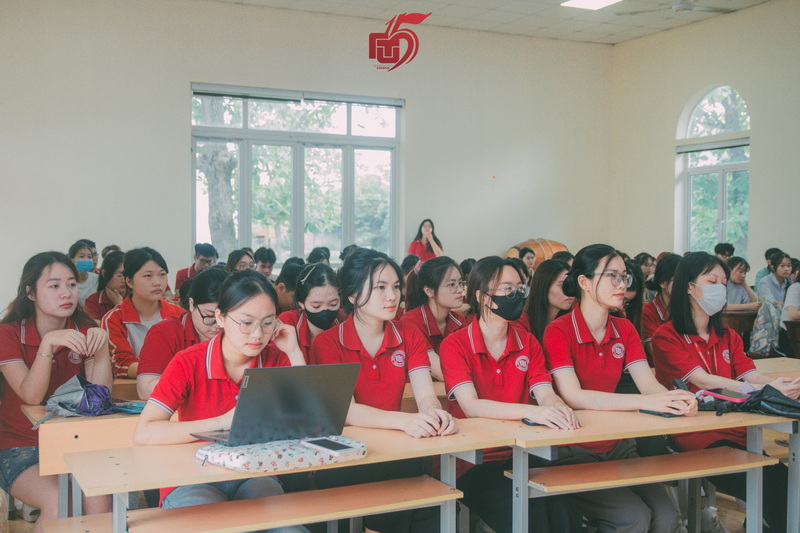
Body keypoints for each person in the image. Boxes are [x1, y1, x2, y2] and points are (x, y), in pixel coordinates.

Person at [133, 271, 306, 532]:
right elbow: (145, 431)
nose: (257, 334)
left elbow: (307, 419)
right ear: (221, 317)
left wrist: (293, 351)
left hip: (254, 472)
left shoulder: (276, 357)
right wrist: (220, 423)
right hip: (193, 477)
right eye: (246, 322)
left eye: (268, 323)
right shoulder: (188, 361)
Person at [543, 244, 696, 533]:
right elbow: (573, 396)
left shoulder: (624, 329)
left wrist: (675, 399)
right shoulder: (559, 330)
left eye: (624, 276)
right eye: (612, 276)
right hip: (573, 449)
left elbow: (648, 384)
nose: (622, 285)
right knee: (634, 517)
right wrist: (644, 403)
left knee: (666, 516)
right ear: (584, 282)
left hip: (618, 445)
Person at [650, 251, 800, 532]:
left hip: (741, 431)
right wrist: (758, 388)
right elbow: (703, 380)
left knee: (786, 483)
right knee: (775, 484)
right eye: (712, 281)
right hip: (698, 436)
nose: (720, 288)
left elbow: (750, 374)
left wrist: (779, 384)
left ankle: (758, 523)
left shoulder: (728, 335)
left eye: (723, 282)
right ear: (689, 287)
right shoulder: (667, 336)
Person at [309, 248, 456, 533]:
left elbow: (426, 394)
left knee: (432, 504)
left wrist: (434, 413)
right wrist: (405, 421)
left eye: (396, 287)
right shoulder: (328, 343)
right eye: (380, 287)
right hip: (346, 458)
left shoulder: (409, 334)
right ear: (353, 296)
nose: (392, 296)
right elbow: (347, 411)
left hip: (396, 453)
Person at [440, 255, 582, 533]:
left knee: (565, 508)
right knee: (530, 517)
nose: (516, 295)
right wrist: (533, 411)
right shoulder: (455, 344)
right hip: (473, 460)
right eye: (507, 289)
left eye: (520, 288)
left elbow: (544, 391)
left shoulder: (527, 341)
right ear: (482, 296)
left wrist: (557, 406)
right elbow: (471, 407)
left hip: (522, 452)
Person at [0, 252, 113, 532]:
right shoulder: (8, 334)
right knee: (59, 502)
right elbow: (31, 396)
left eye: (72, 284)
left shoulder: (85, 330)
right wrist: (47, 345)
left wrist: (101, 351)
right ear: (31, 293)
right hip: (19, 445)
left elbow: (99, 399)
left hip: (75, 443)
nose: (66, 293)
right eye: (54, 286)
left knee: (100, 503)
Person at [136, 268, 229, 399]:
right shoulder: (165, 333)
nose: (218, 325)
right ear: (191, 304)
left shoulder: (240, 331)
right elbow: (145, 389)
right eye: (209, 316)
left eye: (225, 316)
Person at [101, 248, 184, 378]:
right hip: (135, 387)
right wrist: (170, 369)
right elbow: (121, 365)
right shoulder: (114, 319)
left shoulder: (180, 315)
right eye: (148, 276)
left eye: (162, 274)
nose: (157, 282)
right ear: (129, 282)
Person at [401, 256, 467, 380]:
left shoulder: (459, 321)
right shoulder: (411, 322)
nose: (460, 290)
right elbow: (442, 372)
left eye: (460, 283)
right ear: (429, 291)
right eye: (452, 284)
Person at [277, 263, 345, 363]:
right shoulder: (288, 323)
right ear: (301, 303)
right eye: (316, 306)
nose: (325, 310)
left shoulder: (345, 320)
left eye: (333, 304)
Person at [641, 253, 682, 361]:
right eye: (679, 280)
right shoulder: (647, 313)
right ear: (663, 282)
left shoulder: (688, 309)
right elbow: (659, 355)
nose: (685, 286)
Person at [525, 259, 573, 344]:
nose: (570, 291)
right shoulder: (524, 324)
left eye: (572, 285)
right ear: (544, 286)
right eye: (563, 285)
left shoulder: (571, 321)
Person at [84, 250, 126, 321]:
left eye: (128, 275)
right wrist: (119, 307)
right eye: (119, 275)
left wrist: (120, 305)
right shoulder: (93, 301)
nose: (124, 280)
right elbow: (98, 326)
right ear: (104, 273)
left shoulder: (136, 297)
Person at [67, 240, 99, 304]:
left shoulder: (97, 279)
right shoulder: (67, 281)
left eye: (89, 257)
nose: (86, 259)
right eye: (81, 256)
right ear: (72, 260)